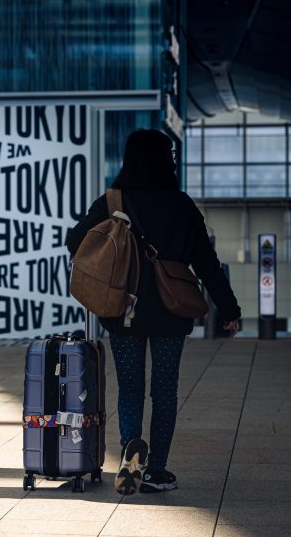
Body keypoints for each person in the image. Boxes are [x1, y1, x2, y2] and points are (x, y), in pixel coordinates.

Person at [66, 129, 241, 496]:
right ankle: (156, 470)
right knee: (164, 390)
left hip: (122, 308)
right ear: (165, 161)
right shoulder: (181, 205)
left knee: (130, 387)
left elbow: (74, 242)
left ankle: (132, 447)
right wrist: (229, 309)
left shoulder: (113, 201)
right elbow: (207, 264)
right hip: (170, 311)